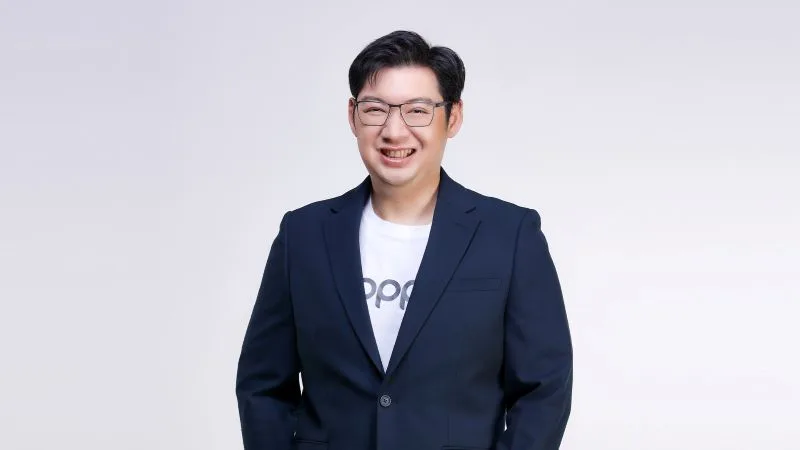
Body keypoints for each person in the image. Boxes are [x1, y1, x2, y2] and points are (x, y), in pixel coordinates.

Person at [236, 30, 573, 450]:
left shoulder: (509, 235)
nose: (394, 131)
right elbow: (262, 384)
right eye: (375, 109)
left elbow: (544, 388)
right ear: (353, 116)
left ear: (453, 117)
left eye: (417, 110)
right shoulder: (303, 235)